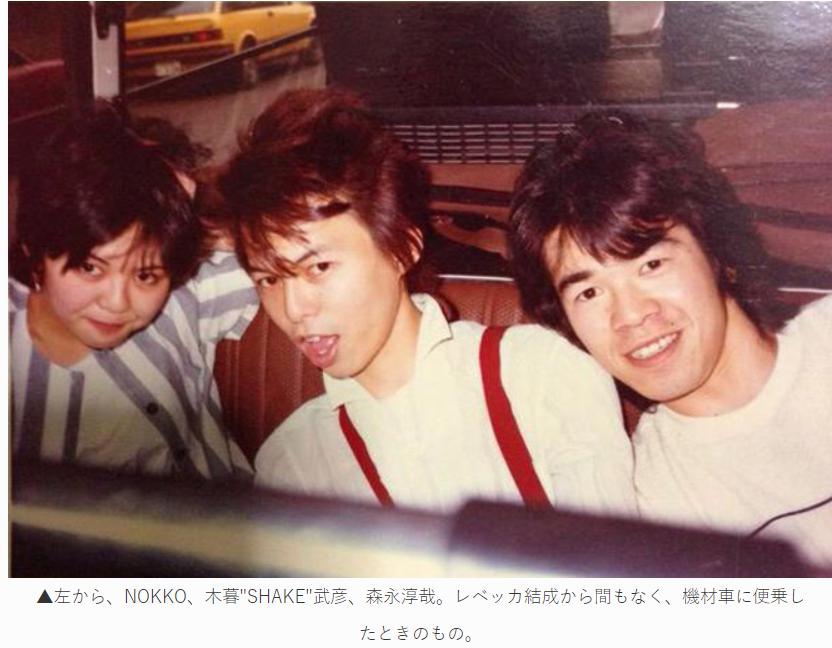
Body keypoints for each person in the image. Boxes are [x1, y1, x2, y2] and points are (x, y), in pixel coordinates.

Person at [218, 88, 637, 515]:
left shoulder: (542, 374)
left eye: (319, 267)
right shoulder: (291, 464)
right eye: (269, 279)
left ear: (402, 249)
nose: (293, 310)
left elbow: (606, 554)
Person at [508, 112, 832, 567]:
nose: (630, 316)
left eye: (651, 265)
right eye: (589, 292)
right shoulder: (654, 505)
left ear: (717, 253)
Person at [11, 103, 256, 480]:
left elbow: (282, 254)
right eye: (90, 268)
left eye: (145, 276)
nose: (117, 303)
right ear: (35, 250)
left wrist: (188, 208)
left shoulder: (183, 298)